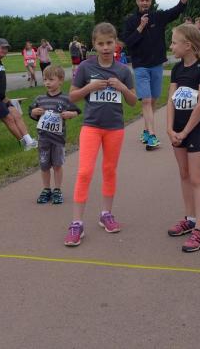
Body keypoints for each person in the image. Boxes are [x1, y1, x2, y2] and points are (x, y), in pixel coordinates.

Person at [65, 23, 137, 247]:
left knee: (109, 170)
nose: (105, 47)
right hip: (92, 127)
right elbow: (72, 97)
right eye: (100, 44)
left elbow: (133, 101)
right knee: (84, 172)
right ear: (94, 45)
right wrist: (90, 88)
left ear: (116, 44)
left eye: (109, 43)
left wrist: (122, 88)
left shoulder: (123, 70)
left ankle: (106, 214)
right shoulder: (85, 67)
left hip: (114, 128)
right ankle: (76, 223)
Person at [122, 0, 189, 150]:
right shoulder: (130, 21)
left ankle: (146, 130)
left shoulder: (158, 17)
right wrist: (140, 27)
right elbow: (128, 43)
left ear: (151, 2)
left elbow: (179, 8)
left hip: (157, 65)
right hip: (140, 66)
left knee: (152, 101)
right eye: (142, 0)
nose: (144, 3)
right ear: (137, 2)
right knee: (146, 100)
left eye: (147, 0)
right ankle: (152, 136)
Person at [165, 24, 200, 252]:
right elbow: (171, 100)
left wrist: (185, 132)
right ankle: (190, 219)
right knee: (184, 174)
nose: (171, 46)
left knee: (196, 177)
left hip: (195, 131)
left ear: (188, 45)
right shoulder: (176, 69)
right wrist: (169, 129)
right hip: (177, 130)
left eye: (174, 42)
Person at [29, 65, 81, 205]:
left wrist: (71, 114)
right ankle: (46, 189)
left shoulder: (65, 99)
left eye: (51, 80)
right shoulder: (40, 99)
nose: (47, 83)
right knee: (44, 165)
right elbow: (31, 113)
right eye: (45, 79)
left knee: (57, 165)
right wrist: (34, 112)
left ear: (61, 80)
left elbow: (77, 111)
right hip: (43, 139)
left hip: (58, 140)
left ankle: (57, 190)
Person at [0, 38, 37, 150]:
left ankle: (30, 141)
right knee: (9, 118)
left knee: (16, 114)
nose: (5, 50)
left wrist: (4, 97)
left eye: (6, 48)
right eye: (2, 47)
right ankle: (25, 145)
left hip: (0, 96)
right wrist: (3, 97)